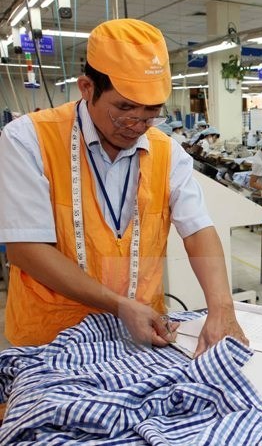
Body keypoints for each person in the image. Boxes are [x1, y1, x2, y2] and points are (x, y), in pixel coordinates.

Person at [0, 19, 246, 355]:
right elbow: (26, 249)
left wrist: (222, 308)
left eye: (151, 112)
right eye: (124, 108)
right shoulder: (29, 140)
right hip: (52, 339)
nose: (136, 124)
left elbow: (198, 230)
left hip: (142, 335)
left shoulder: (167, 152)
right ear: (87, 88)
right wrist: (119, 305)